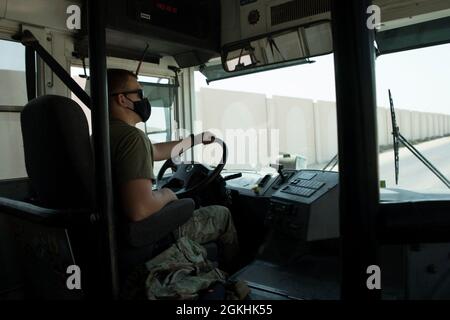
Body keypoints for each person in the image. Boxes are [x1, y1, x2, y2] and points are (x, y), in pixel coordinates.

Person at [107, 68, 239, 271]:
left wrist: (195, 139)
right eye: (139, 93)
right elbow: (139, 210)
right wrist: (167, 194)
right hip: (148, 234)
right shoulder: (132, 138)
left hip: (117, 234)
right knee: (222, 214)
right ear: (123, 99)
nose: (144, 100)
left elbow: (156, 150)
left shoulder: (107, 133)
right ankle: (232, 276)